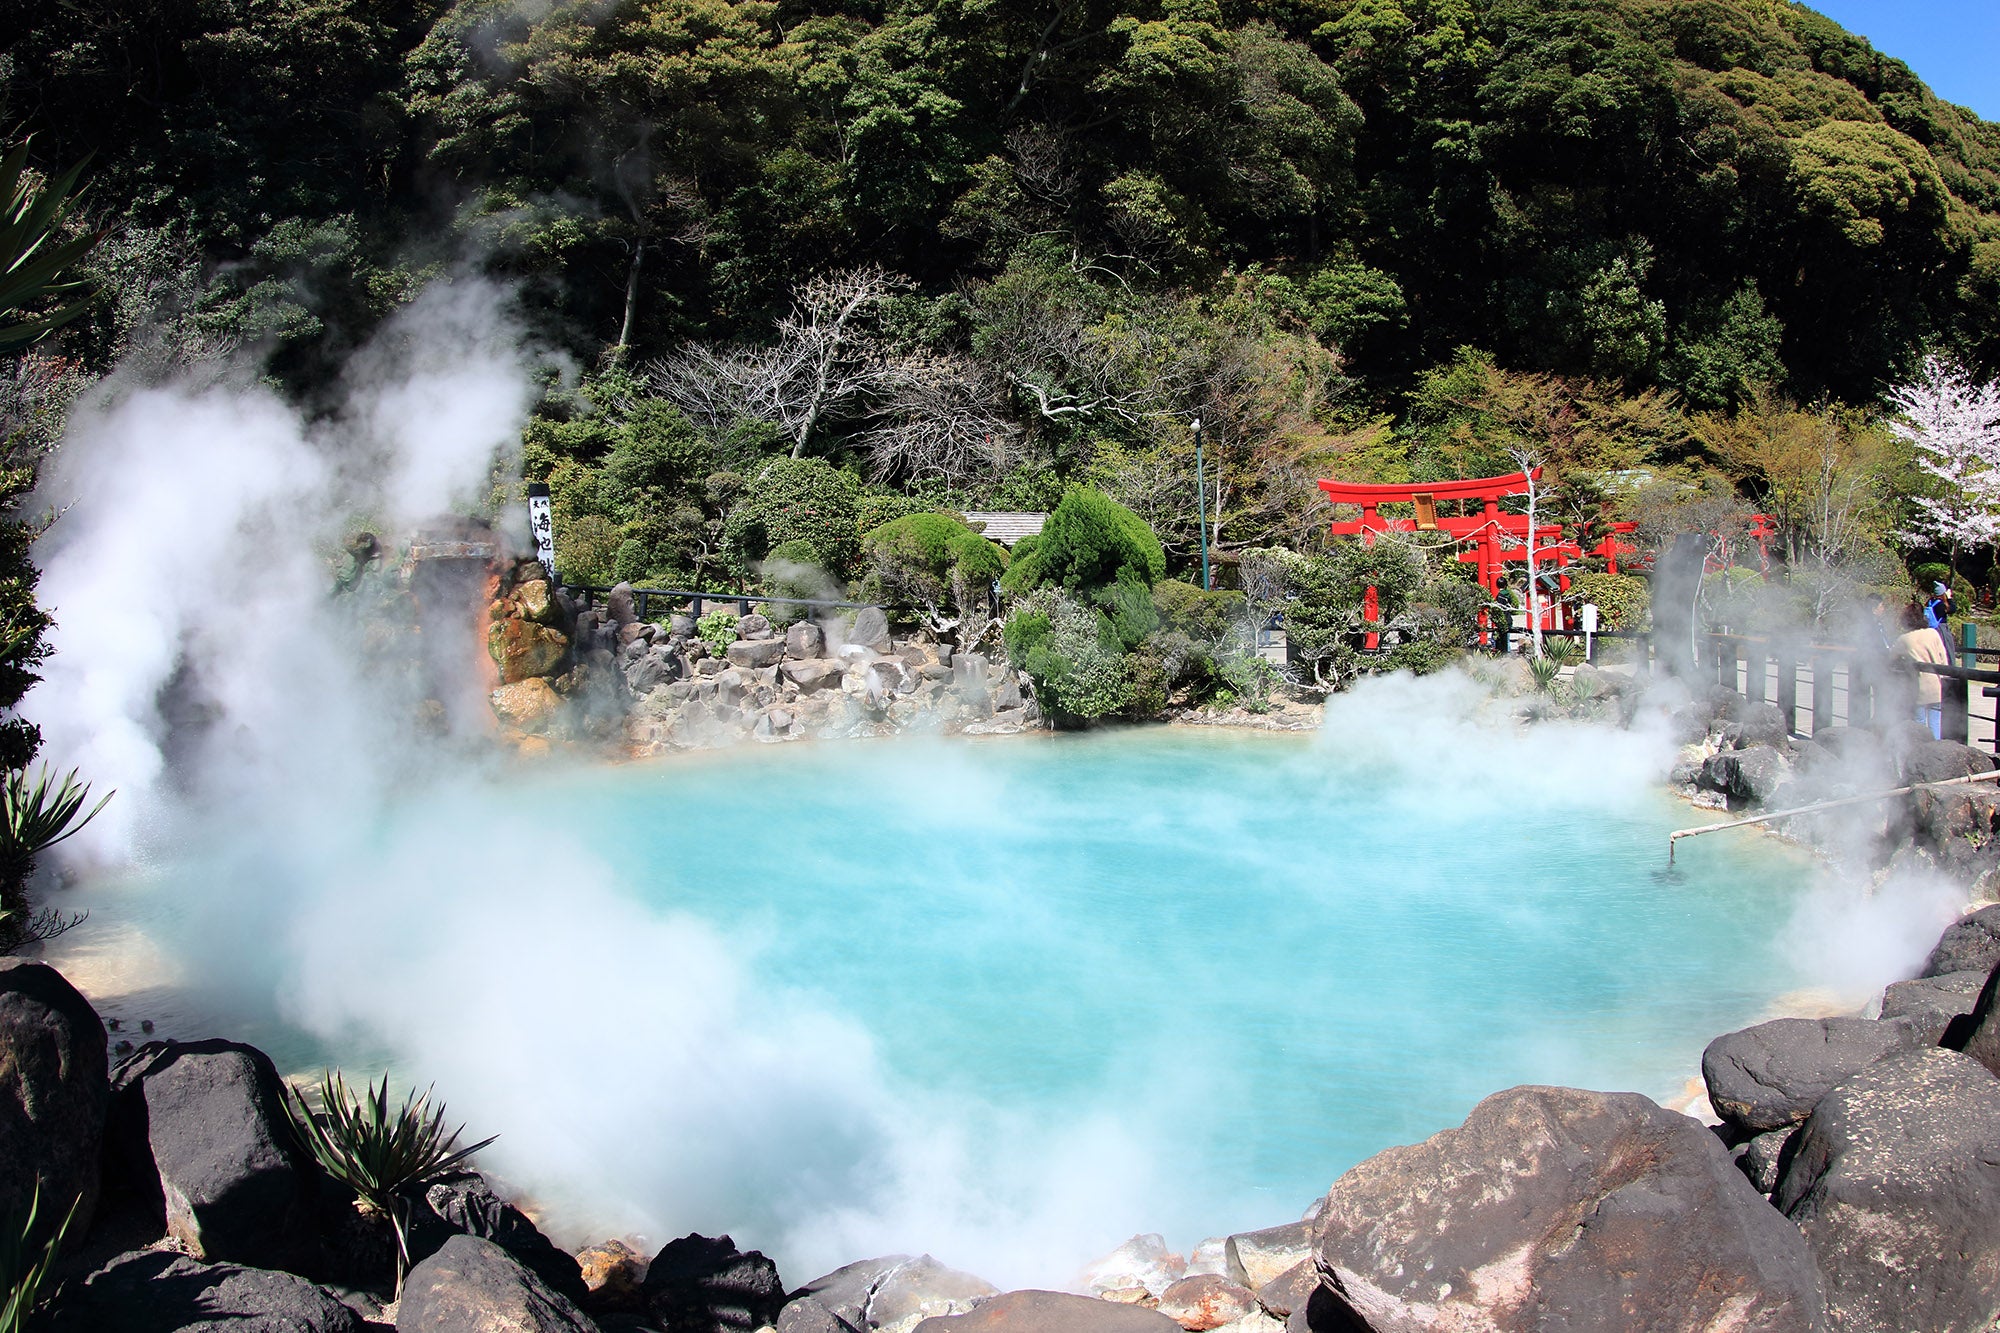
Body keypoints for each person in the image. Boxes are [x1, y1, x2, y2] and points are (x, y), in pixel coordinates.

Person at [1898, 603, 1950, 739]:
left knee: (1919, 724)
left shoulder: (1904, 639)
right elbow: (1943, 658)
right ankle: (1935, 748)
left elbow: (1891, 657)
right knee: (1935, 724)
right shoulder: (1933, 633)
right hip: (1936, 685)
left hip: (1918, 688)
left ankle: (1921, 749)